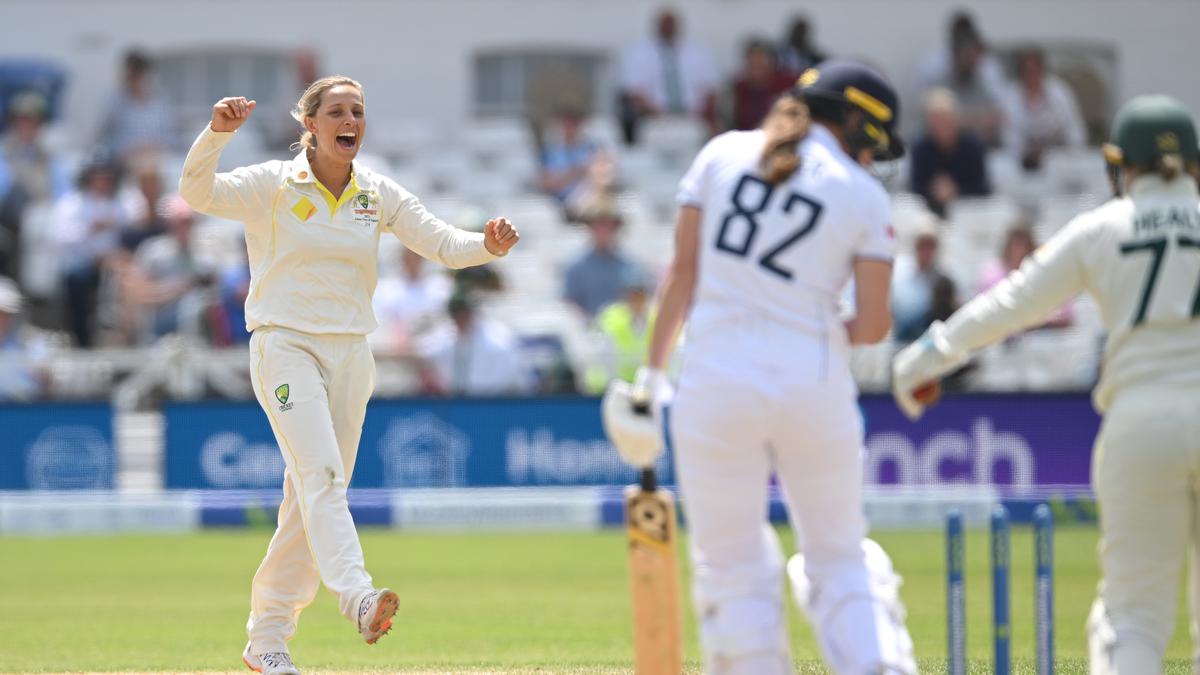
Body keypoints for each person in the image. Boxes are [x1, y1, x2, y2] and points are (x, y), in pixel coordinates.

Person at [179, 75, 519, 674]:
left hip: (351, 355)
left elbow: (440, 243)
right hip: (284, 346)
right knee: (324, 478)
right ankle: (358, 597)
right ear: (308, 124)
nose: (350, 121)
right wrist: (215, 135)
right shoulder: (273, 184)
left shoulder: (375, 192)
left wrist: (487, 245)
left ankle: (267, 642)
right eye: (336, 111)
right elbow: (197, 193)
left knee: (308, 499)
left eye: (358, 112)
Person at [611, 60, 917, 674]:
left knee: (731, 569)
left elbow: (682, 276)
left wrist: (650, 377)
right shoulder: (863, 194)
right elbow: (877, 324)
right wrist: (824, 332)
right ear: (855, 121)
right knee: (838, 558)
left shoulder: (722, 153)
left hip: (715, 383)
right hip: (814, 382)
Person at [892, 94, 1200, 674]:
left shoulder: (1103, 227)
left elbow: (1013, 302)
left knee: (1134, 618)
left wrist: (928, 355)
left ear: (1121, 166)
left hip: (1142, 422)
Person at [51, 155, 129, 347]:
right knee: (76, 282)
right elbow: (60, 237)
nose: (103, 181)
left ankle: (119, 340)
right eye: (98, 176)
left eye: (107, 177)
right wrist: (90, 229)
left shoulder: (121, 203)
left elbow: (130, 231)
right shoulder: (71, 204)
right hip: (82, 266)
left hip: (114, 267)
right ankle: (81, 341)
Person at [618, 7, 719, 143]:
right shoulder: (639, 53)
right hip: (654, 119)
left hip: (691, 118)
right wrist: (656, 113)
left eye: (671, 23)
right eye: (664, 23)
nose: (668, 27)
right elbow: (633, 92)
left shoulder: (697, 52)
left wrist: (699, 113)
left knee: (697, 137)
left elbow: (710, 91)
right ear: (657, 25)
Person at [0, 90, 71, 280]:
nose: (27, 125)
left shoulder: (49, 155)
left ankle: (44, 293)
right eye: (22, 120)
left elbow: (64, 192)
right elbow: (4, 189)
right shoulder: (4, 152)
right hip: (10, 219)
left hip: (45, 217)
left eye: (33, 120)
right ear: (13, 122)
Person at [416, 291, 532, 396]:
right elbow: (420, 353)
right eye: (456, 315)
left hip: (494, 402)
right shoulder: (445, 336)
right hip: (457, 404)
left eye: (463, 314)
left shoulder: (498, 339)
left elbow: (517, 380)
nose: (460, 319)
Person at [1001, 46, 1087, 171]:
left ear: (1042, 71)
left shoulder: (1060, 92)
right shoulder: (1010, 96)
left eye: (1035, 71)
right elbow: (1009, 137)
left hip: (1059, 160)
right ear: (1020, 73)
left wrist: (1075, 155)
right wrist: (1024, 154)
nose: (1032, 76)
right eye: (1027, 72)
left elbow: (1074, 129)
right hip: (1023, 163)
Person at [908, 88, 990, 217]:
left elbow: (982, 188)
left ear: (955, 120)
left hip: (968, 215)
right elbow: (915, 188)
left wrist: (956, 190)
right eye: (934, 122)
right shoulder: (921, 149)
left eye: (944, 120)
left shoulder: (972, 147)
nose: (939, 127)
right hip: (929, 215)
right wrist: (934, 191)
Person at [562, 204, 644, 318]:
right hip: (586, 330)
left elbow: (640, 301)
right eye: (598, 226)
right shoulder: (576, 266)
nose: (603, 231)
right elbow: (568, 302)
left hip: (622, 330)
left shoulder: (631, 266)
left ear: (616, 229)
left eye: (607, 226)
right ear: (590, 229)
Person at [584, 267, 655, 394]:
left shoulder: (657, 318)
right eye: (632, 296)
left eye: (641, 296)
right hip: (616, 388)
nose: (637, 301)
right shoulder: (610, 318)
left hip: (650, 388)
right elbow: (603, 360)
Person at [99, 50, 176, 164]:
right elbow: (104, 139)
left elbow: (172, 137)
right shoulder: (115, 104)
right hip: (125, 164)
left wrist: (156, 146)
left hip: (157, 163)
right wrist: (126, 150)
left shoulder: (160, 103)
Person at [537, 106, 615, 218]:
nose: (570, 128)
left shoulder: (593, 149)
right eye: (566, 124)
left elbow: (605, 179)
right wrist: (577, 172)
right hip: (559, 205)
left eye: (574, 124)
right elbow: (547, 184)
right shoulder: (549, 153)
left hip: (590, 199)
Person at [891, 224, 959, 342]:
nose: (927, 252)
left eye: (931, 246)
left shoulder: (945, 280)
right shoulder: (898, 276)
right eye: (923, 245)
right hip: (901, 340)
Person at [729, 38, 796, 132]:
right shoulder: (737, 88)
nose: (757, 68)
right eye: (752, 64)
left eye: (761, 62)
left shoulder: (789, 84)